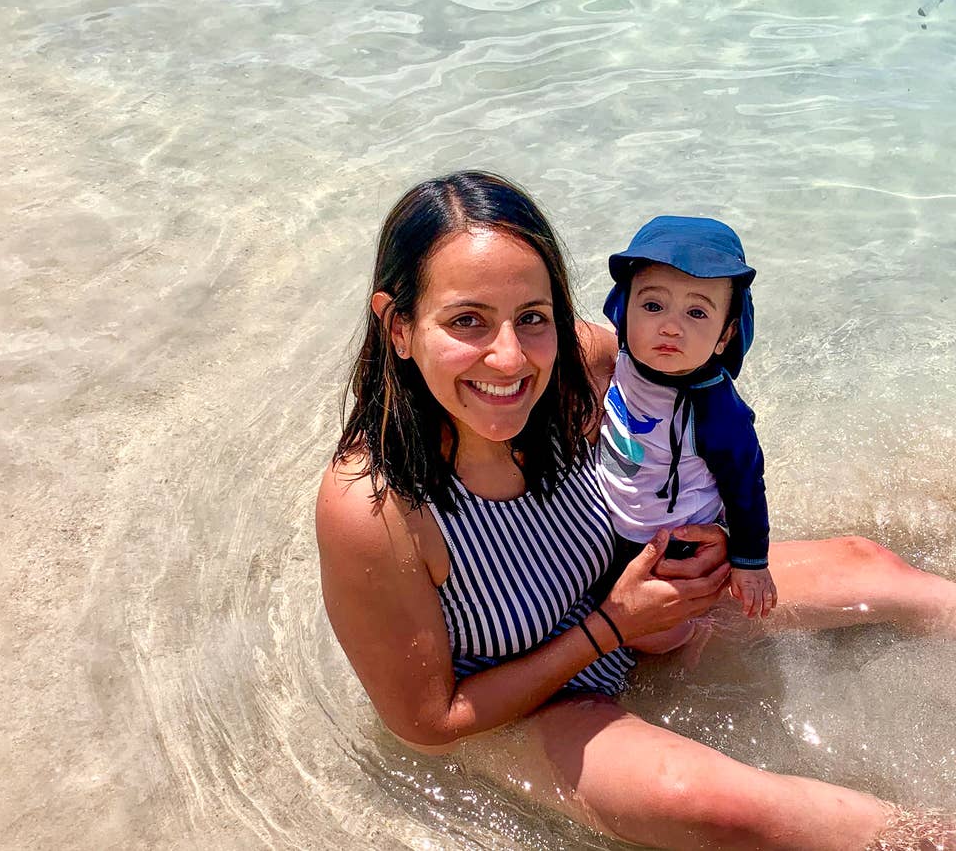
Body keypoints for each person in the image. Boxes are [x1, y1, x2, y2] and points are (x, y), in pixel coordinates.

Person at [316, 170, 956, 849]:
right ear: (400, 326)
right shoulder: (375, 506)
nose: (508, 357)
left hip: (635, 605)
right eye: (467, 320)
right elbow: (428, 723)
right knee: (733, 812)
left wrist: (714, 530)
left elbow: (686, 387)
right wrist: (610, 627)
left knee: (875, 568)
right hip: (525, 706)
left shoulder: (579, 367)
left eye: (533, 316)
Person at [593, 216, 777, 656]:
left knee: (659, 640)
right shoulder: (619, 361)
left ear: (725, 335)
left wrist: (751, 563)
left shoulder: (716, 410)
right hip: (613, 521)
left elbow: (747, 486)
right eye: (652, 306)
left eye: (696, 313)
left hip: (675, 539)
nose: (670, 327)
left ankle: (698, 642)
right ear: (623, 308)